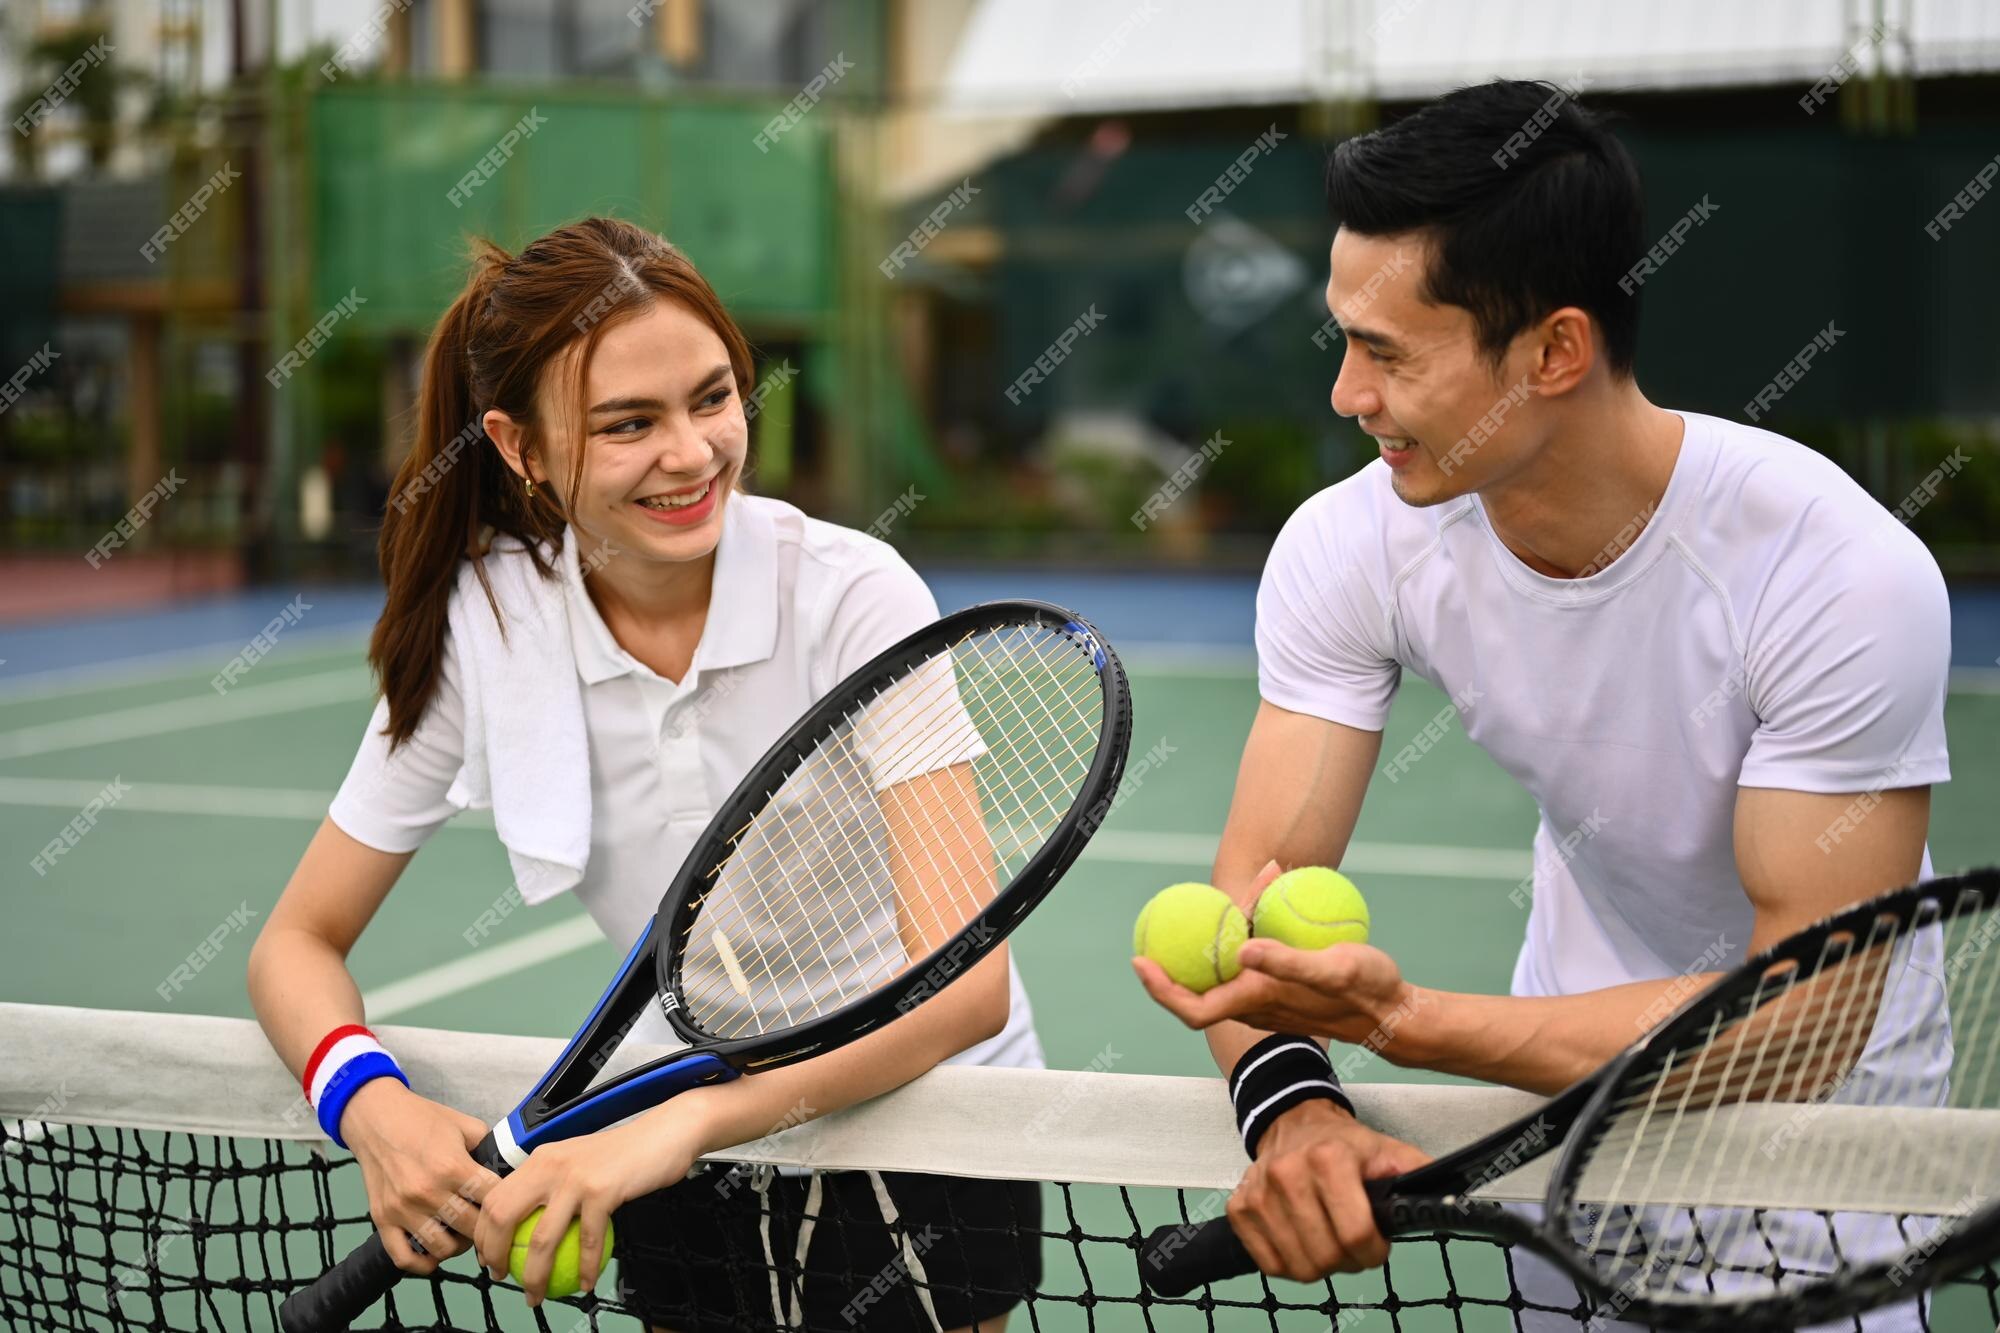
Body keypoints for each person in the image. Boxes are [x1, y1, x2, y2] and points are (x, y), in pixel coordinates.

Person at [1134, 80, 1951, 1325]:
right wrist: (1295, 1112)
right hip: (1567, 1167)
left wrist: (1412, 1022)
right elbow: (1256, 891)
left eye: (1386, 352)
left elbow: (1797, 1015)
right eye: (1342, 340)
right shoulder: (1350, 545)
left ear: (1554, 351)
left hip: (1817, 1175)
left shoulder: (1833, 573)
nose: (1347, 394)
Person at [247, 216, 1041, 1333]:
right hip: (674, 1113)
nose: (693, 452)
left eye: (713, 399)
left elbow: (966, 987)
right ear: (518, 448)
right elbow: (294, 942)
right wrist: (368, 1102)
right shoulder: (482, 628)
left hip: (920, 1111)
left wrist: (678, 1127)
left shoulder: (856, 598)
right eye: (628, 423)